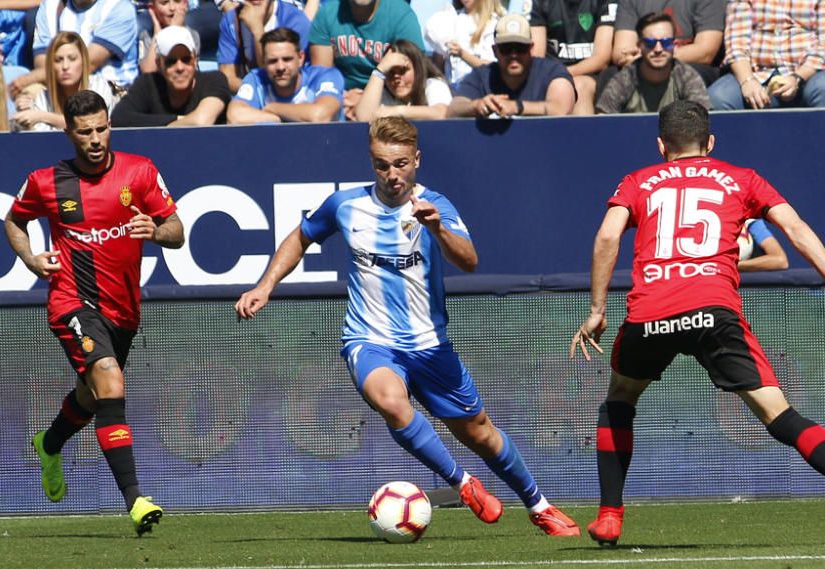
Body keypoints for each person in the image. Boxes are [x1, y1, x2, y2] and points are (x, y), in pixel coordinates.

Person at [569, 100, 825, 548]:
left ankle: (610, 515)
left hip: (651, 310)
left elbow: (609, 236)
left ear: (660, 145)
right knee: (778, 414)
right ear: (709, 143)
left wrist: (597, 310)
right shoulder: (741, 178)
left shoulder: (639, 181)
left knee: (620, 399)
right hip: (714, 310)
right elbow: (797, 229)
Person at [235, 116, 580, 537]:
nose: (392, 174)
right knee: (393, 403)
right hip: (369, 339)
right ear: (371, 162)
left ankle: (538, 505)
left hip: (430, 346)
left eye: (400, 163)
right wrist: (265, 285)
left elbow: (469, 260)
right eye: (382, 165)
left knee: (481, 433)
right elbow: (301, 236)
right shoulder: (345, 205)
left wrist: (436, 228)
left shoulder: (435, 205)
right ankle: (463, 483)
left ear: (417, 159)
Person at [3, 90, 184, 535]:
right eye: (85, 132)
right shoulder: (47, 181)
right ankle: (135, 499)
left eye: (102, 128)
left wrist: (156, 230)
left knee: (93, 395)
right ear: (70, 134)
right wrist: (30, 260)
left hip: (123, 312)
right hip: (71, 301)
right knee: (107, 375)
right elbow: (13, 221)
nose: (96, 138)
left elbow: (178, 231)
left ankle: (49, 443)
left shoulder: (139, 172)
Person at [707, 0, 825, 110]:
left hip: (808, 74)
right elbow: (736, 42)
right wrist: (747, 81)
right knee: (719, 96)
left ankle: (823, 145)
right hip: (757, 73)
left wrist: (796, 78)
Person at [307, 0, 425, 115]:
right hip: (341, 100)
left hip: (388, 97)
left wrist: (366, 99)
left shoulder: (400, 14)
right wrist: (341, 98)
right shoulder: (327, 14)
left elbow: (413, 71)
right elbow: (323, 76)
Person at [447, 14, 576, 117]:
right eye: (506, 48)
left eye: (520, 48)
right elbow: (454, 109)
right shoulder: (481, 76)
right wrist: (476, 105)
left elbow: (561, 109)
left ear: (531, 48)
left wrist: (516, 107)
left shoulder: (552, 71)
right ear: (495, 51)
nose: (513, 55)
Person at [9, 0, 139, 97]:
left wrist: (28, 79)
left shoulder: (119, 7)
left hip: (110, 90)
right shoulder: (50, 6)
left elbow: (86, 65)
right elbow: (41, 63)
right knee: (28, 96)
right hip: (61, 87)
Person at [112, 25, 232, 127]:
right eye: (171, 61)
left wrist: (166, 128)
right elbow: (119, 118)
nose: (180, 67)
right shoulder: (148, 84)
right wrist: (179, 119)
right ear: (159, 64)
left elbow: (202, 121)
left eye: (186, 60)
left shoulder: (214, 80)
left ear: (195, 60)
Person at [596, 12, 710, 114]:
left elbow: (703, 120)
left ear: (674, 46)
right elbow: (603, 121)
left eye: (666, 42)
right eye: (650, 43)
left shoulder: (687, 77)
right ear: (640, 46)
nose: (658, 49)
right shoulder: (625, 79)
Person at [227, 27, 343, 122]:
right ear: (263, 61)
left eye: (287, 59)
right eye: (273, 61)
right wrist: (277, 119)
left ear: (301, 58)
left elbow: (320, 116)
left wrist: (272, 108)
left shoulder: (324, 76)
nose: (280, 67)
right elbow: (234, 116)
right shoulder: (256, 79)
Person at [13, 31, 115, 131]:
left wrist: (43, 116)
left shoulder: (98, 86)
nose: (65, 66)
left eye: (72, 59)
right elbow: (45, 139)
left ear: (83, 61)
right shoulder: (43, 98)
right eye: (58, 60)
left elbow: (89, 126)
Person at [606, 0, 724, 86]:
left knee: (677, 75)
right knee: (609, 76)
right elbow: (621, 51)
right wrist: (640, 59)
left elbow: (706, 52)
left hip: (691, 65)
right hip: (642, 62)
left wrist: (654, 55)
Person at [529, 0, 614, 115]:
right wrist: (556, 77)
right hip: (551, 74)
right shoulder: (541, 3)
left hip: (592, 74)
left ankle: (582, 133)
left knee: (578, 87)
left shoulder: (605, 2)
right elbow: (537, 57)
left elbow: (601, 59)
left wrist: (562, 74)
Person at [217, 0, 312, 92]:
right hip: (250, 94)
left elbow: (277, 81)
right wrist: (252, 92)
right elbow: (227, 77)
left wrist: (257, 29)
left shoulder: (295, 21)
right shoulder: (232, 20)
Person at [353, 39, 451, 120]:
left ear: (418, 69)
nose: (396, 77)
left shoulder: (433, 84)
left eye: (403, 70)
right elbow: (364, 118)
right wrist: (379, 70)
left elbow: (442, 113)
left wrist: (397, 111)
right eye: (390, 71)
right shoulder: (385, 93)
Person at [425, 0, 503, 87]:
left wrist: (462, 54)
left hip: (477, 90)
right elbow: (438, 63)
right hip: (450, 87)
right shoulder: (451, 18)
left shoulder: (492, 24)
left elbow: (491, 68)